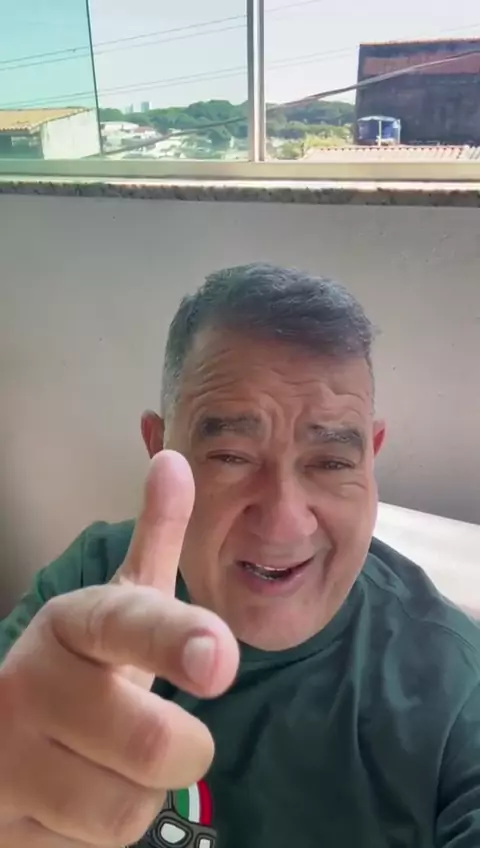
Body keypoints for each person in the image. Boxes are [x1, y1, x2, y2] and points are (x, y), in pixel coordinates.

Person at [0, 263, 479, 848]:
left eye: (331, 463)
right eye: (231, 456)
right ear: (159, 446)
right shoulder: (90, 593)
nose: (283, 519)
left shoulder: (456, 685)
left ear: (370, 459)